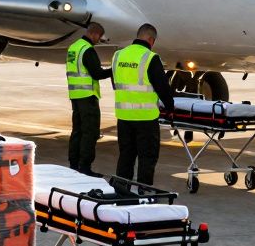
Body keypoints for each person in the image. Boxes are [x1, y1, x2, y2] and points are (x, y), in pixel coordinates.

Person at [111, 23, 176, 185]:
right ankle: (144, 190)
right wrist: (170, 108)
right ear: (151, 40)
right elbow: (163, 88)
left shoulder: (118, 55)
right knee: (147, 156)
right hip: (145, 119)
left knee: (126, 154)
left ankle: (121, 188)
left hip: (124, 116)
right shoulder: (150, 58)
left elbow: (115, 82)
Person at [65, 22, 111, 175]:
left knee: (77, 131)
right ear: (94, 34)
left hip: (75, 96)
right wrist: (113, 70)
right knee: (90, 132)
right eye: (99, 37)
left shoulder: (74, 47)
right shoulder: (88, 50)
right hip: (87, 97)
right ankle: (85, 167)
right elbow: (97, 74)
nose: (98, 40)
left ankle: (74, 164)